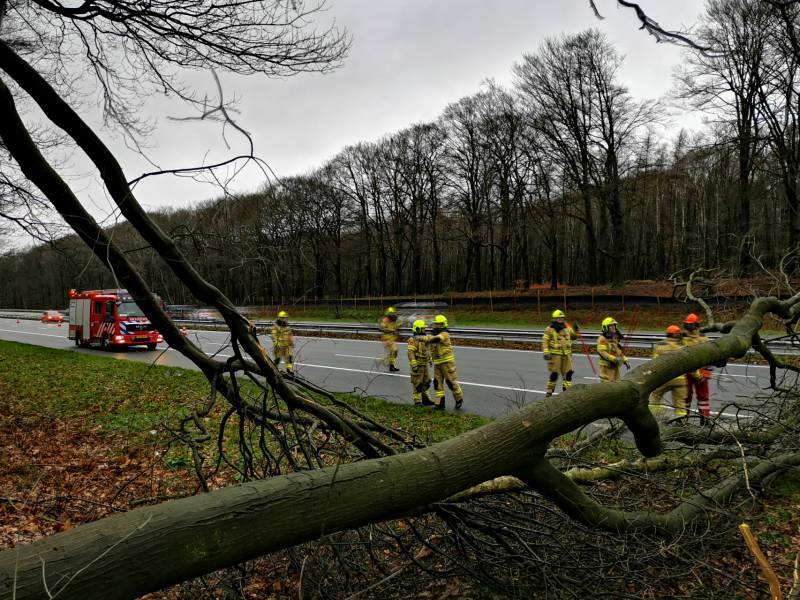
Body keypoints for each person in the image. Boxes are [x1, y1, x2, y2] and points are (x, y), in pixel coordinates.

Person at [649, 325, 701, 422]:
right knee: (680, 404)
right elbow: (690, 364)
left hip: (664, 379)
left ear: (668, 334)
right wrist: (697, 375)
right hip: (680, 381)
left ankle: (658, 418)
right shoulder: (682, 347)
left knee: (655, 396)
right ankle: (682, 423)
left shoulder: (660, 346)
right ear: (677, 335)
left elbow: (654, 364)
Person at [425, 314, 464, 410]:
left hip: (447, 363)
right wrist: (430, 358)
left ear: (443, 325)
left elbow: (436, 339)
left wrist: (424, 338)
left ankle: (459, 399)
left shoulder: (444, 334)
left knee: (451, 382)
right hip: (437, 363)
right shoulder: (434, 335)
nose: (437, 326)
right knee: (437, 384)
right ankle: (440, 404)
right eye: (436, 324)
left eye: (439, 324)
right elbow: (431, 349)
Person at [682, 313, 712, 425]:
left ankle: (704, 418)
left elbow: (711, 357)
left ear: (696, 325)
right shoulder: (683, 338)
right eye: (687, 325)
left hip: (702, 371)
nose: (688, 327)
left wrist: (706, 373)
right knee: (685, 397)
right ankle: (683, 419)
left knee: (703, 397)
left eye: (691, 325)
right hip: (686, 372)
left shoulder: (704, 339)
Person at [542, 309, 579, 396]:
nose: (561, 320)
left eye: (562, 318)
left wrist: (576, 330)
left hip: (567, 355)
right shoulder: (549, 329)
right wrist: (546, 352)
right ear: (554, 319)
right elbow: (545, 341)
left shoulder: (567, 328)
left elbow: (574, 337)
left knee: (568, 373)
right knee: (554, 374)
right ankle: (549, 391)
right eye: (559, 318)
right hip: (555, 355)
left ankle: (567, 390)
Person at [407, 319, 435, 407]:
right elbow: (410, 353)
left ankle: (426, 399)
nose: (425, 330)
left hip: (424, 365)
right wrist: (414, 364)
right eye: (423, 329)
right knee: (417, 383)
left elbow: (427, 351)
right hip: (418, 366)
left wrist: (430, 359)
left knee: (426, 382)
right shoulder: (413, 340)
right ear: (418, 329)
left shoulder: (424, 339)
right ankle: (417, 401)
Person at [597, 316, 629, 382]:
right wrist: (612, 358)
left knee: (617, 384)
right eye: (611, 326)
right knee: (607, 386)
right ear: (606, 327)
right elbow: (602, 352)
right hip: (606, 367)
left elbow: (618, 351)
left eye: (614, 325)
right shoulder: (602, 339)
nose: (614, 327)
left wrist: (624, 359)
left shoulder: (614, 338)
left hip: (615, 365)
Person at [271, 310, 294, 374]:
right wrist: (276, 344)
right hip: (279, 346)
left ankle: (290, 370)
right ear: (280, 318)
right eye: (284, 318)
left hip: (287, 346)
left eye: (286, 318)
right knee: (278, 359)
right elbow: (274, 336)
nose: (285, 319)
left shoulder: (287, 326)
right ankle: (274, 369)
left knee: (289, 357)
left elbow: (290, 335)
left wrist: (291, 342)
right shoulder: (275, 327)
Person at [379, 307, 400, 372]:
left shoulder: (393, 320)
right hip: (386, 338)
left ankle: (391, 366)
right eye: (392, 314)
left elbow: (395, 327)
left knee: (394, 352)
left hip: (392, 339)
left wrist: (401, 324)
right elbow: (382, 328)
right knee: (393, 351)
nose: (393, 315)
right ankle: (382, 361)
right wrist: (390, 330)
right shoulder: (385, 320)